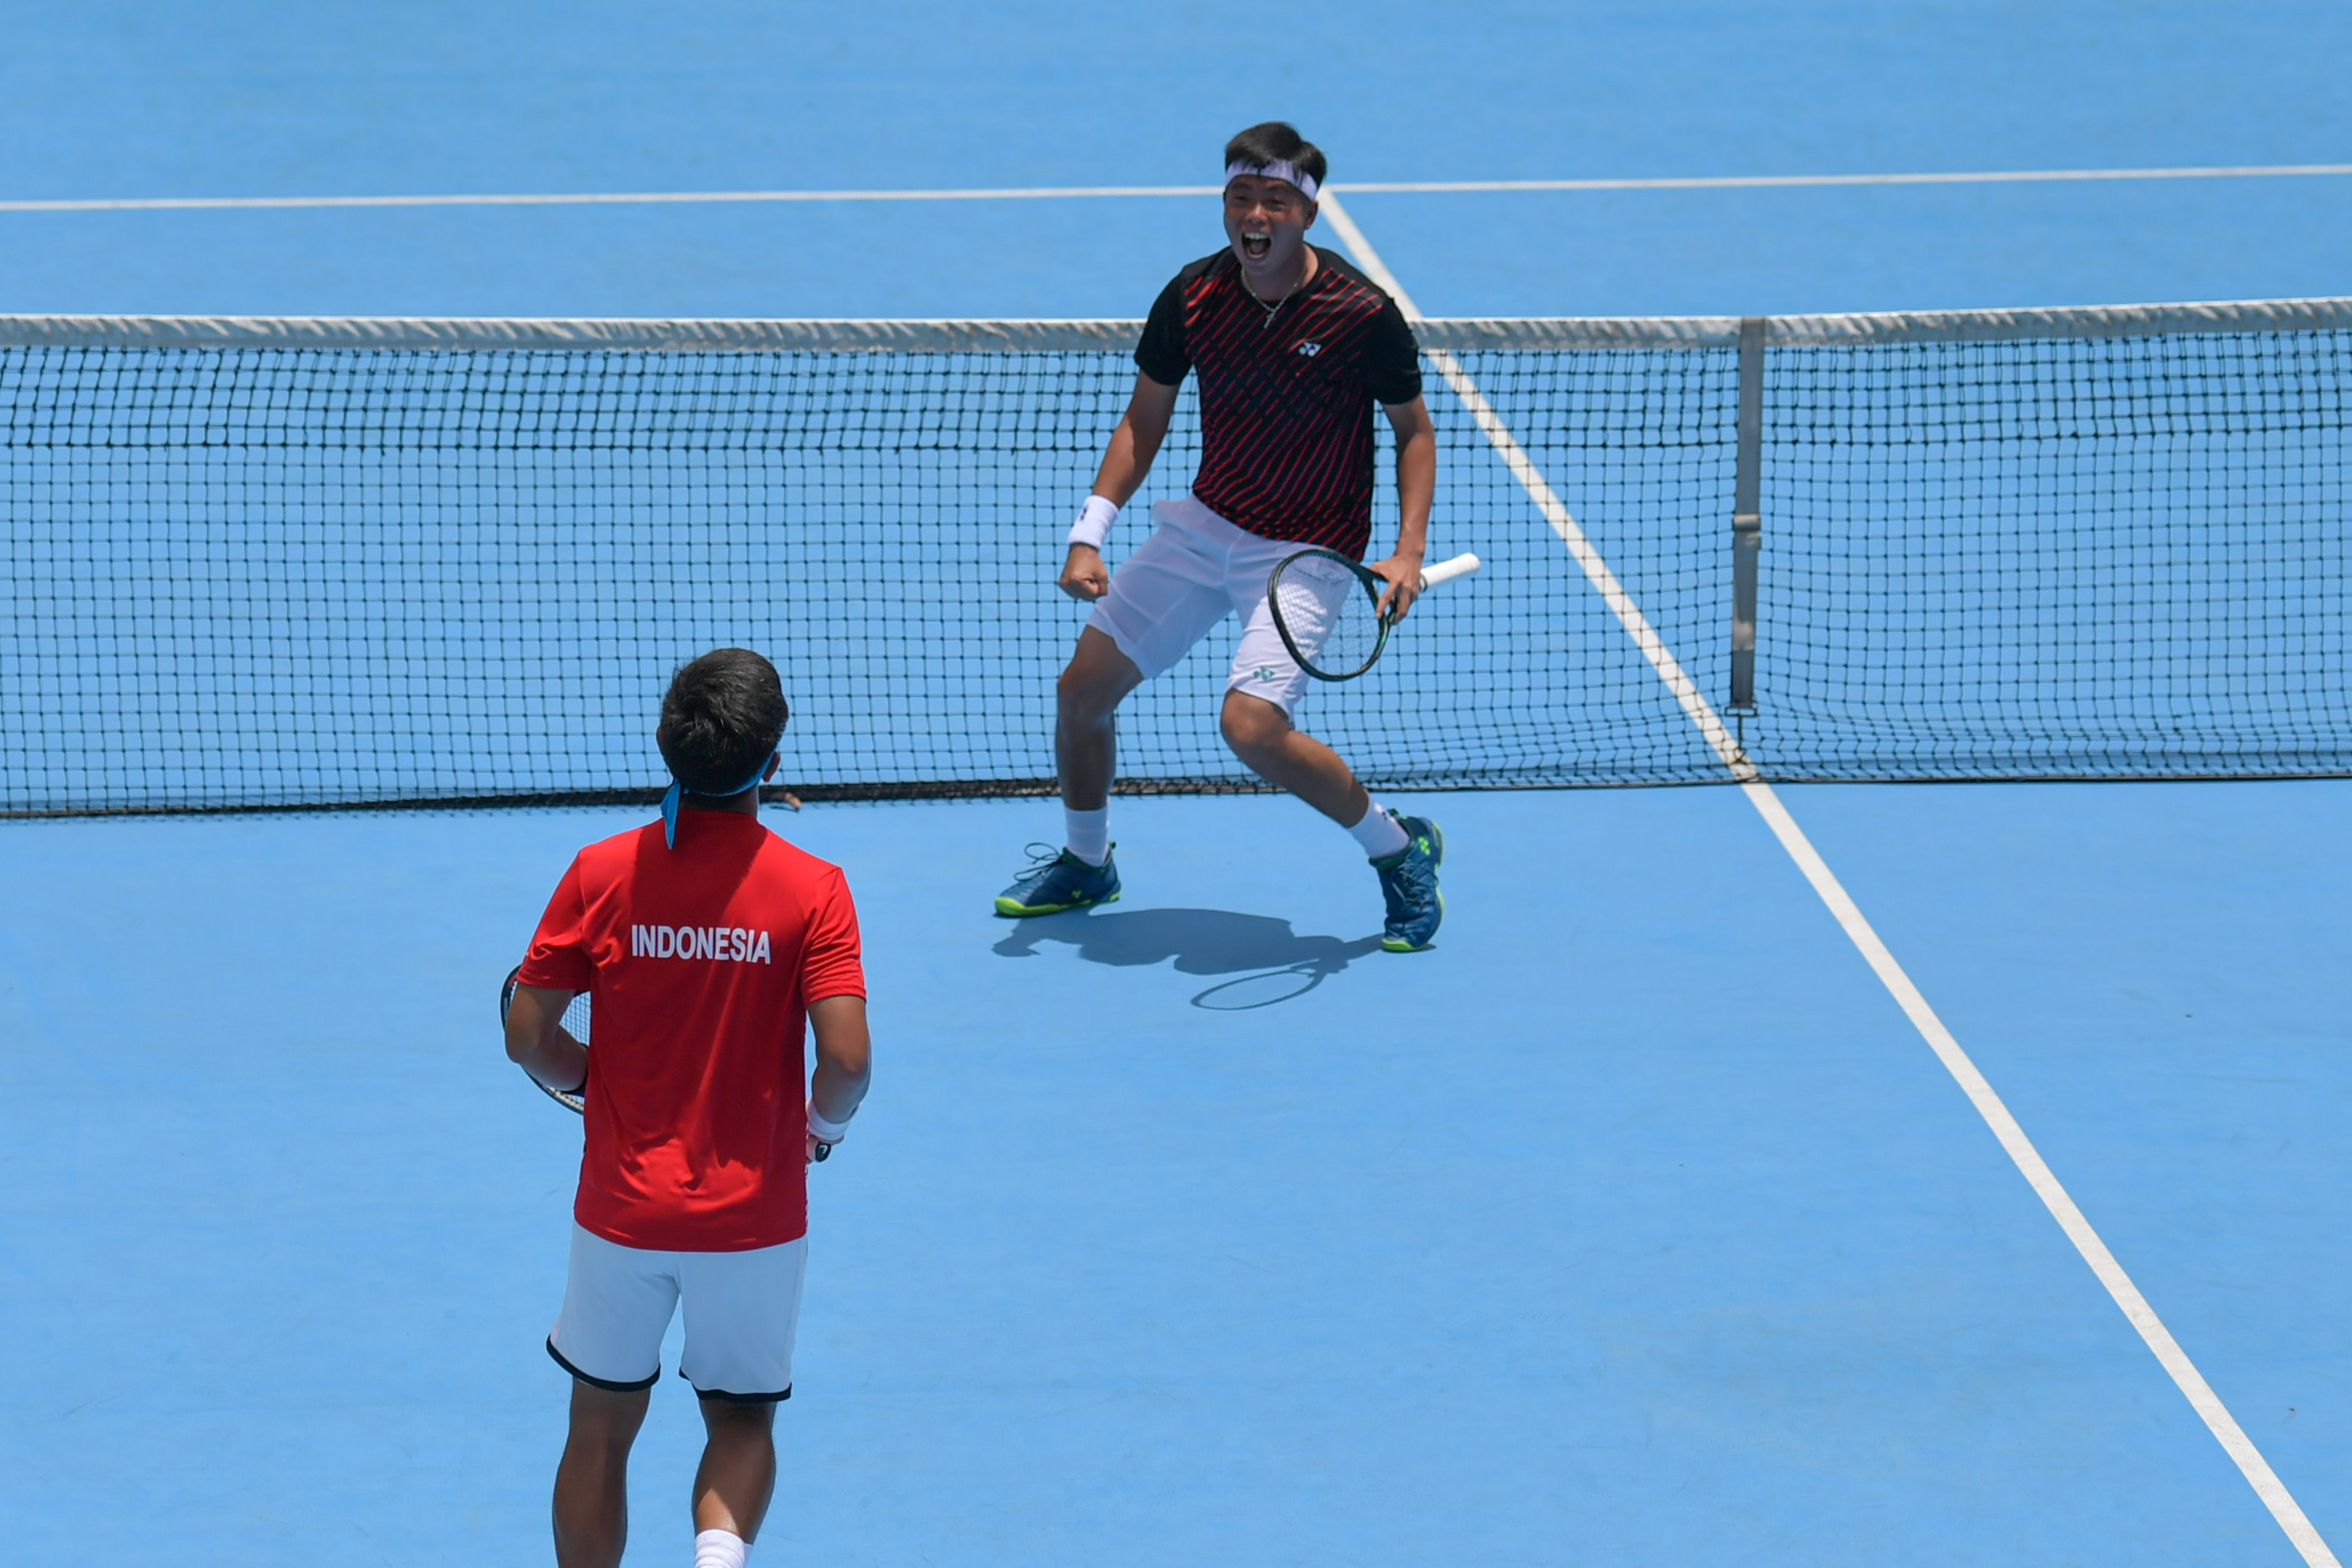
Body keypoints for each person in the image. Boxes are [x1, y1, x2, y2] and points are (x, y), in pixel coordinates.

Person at [992, 121, 1446, 951]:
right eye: (1241, 198)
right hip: (1206, 527)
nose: (1255, 216)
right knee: (1081, 693)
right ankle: (1088, 862)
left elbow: (1414, 432)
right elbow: (1144, 420)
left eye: (1275, 200)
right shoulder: (1194, 296)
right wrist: (1089, 533)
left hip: (1306, 552)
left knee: (1251, 729)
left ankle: (1397, 847)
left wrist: (1408, 551)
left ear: (1307, 215)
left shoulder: (1362, 312)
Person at [505, 647, 871, 1568]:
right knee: (741, 1416)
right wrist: (820, 1130)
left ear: (667, 746)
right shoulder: (814, 889)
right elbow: (847, 1062)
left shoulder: (599, 873)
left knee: (598, 1427)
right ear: (772, 763)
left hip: (622, 1213)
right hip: (754, 1220)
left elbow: (528, 1033)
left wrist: (592, 1084)